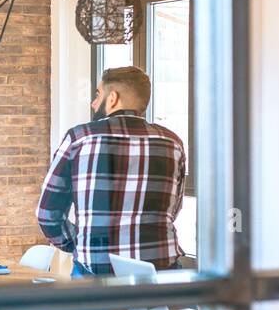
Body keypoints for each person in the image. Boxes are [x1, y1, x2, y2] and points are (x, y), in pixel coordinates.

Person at [36, 66, 186, 276]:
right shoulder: (173, 143)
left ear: (113, 98)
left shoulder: (79, 138)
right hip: (160, 270)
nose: (94, 102)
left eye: (98, 94)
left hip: (95, 271)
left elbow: (47, 214)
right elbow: (173, 210)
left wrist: (79, 243)